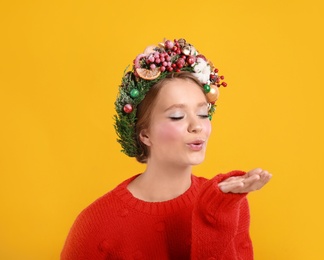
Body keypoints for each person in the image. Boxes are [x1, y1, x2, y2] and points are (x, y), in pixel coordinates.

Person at [61, 38, 272, 259]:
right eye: (177, 116)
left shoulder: (228, 203)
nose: (197, 126)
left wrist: (218, 211)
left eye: (202, 114)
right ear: (145, 134)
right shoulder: (96, 223)